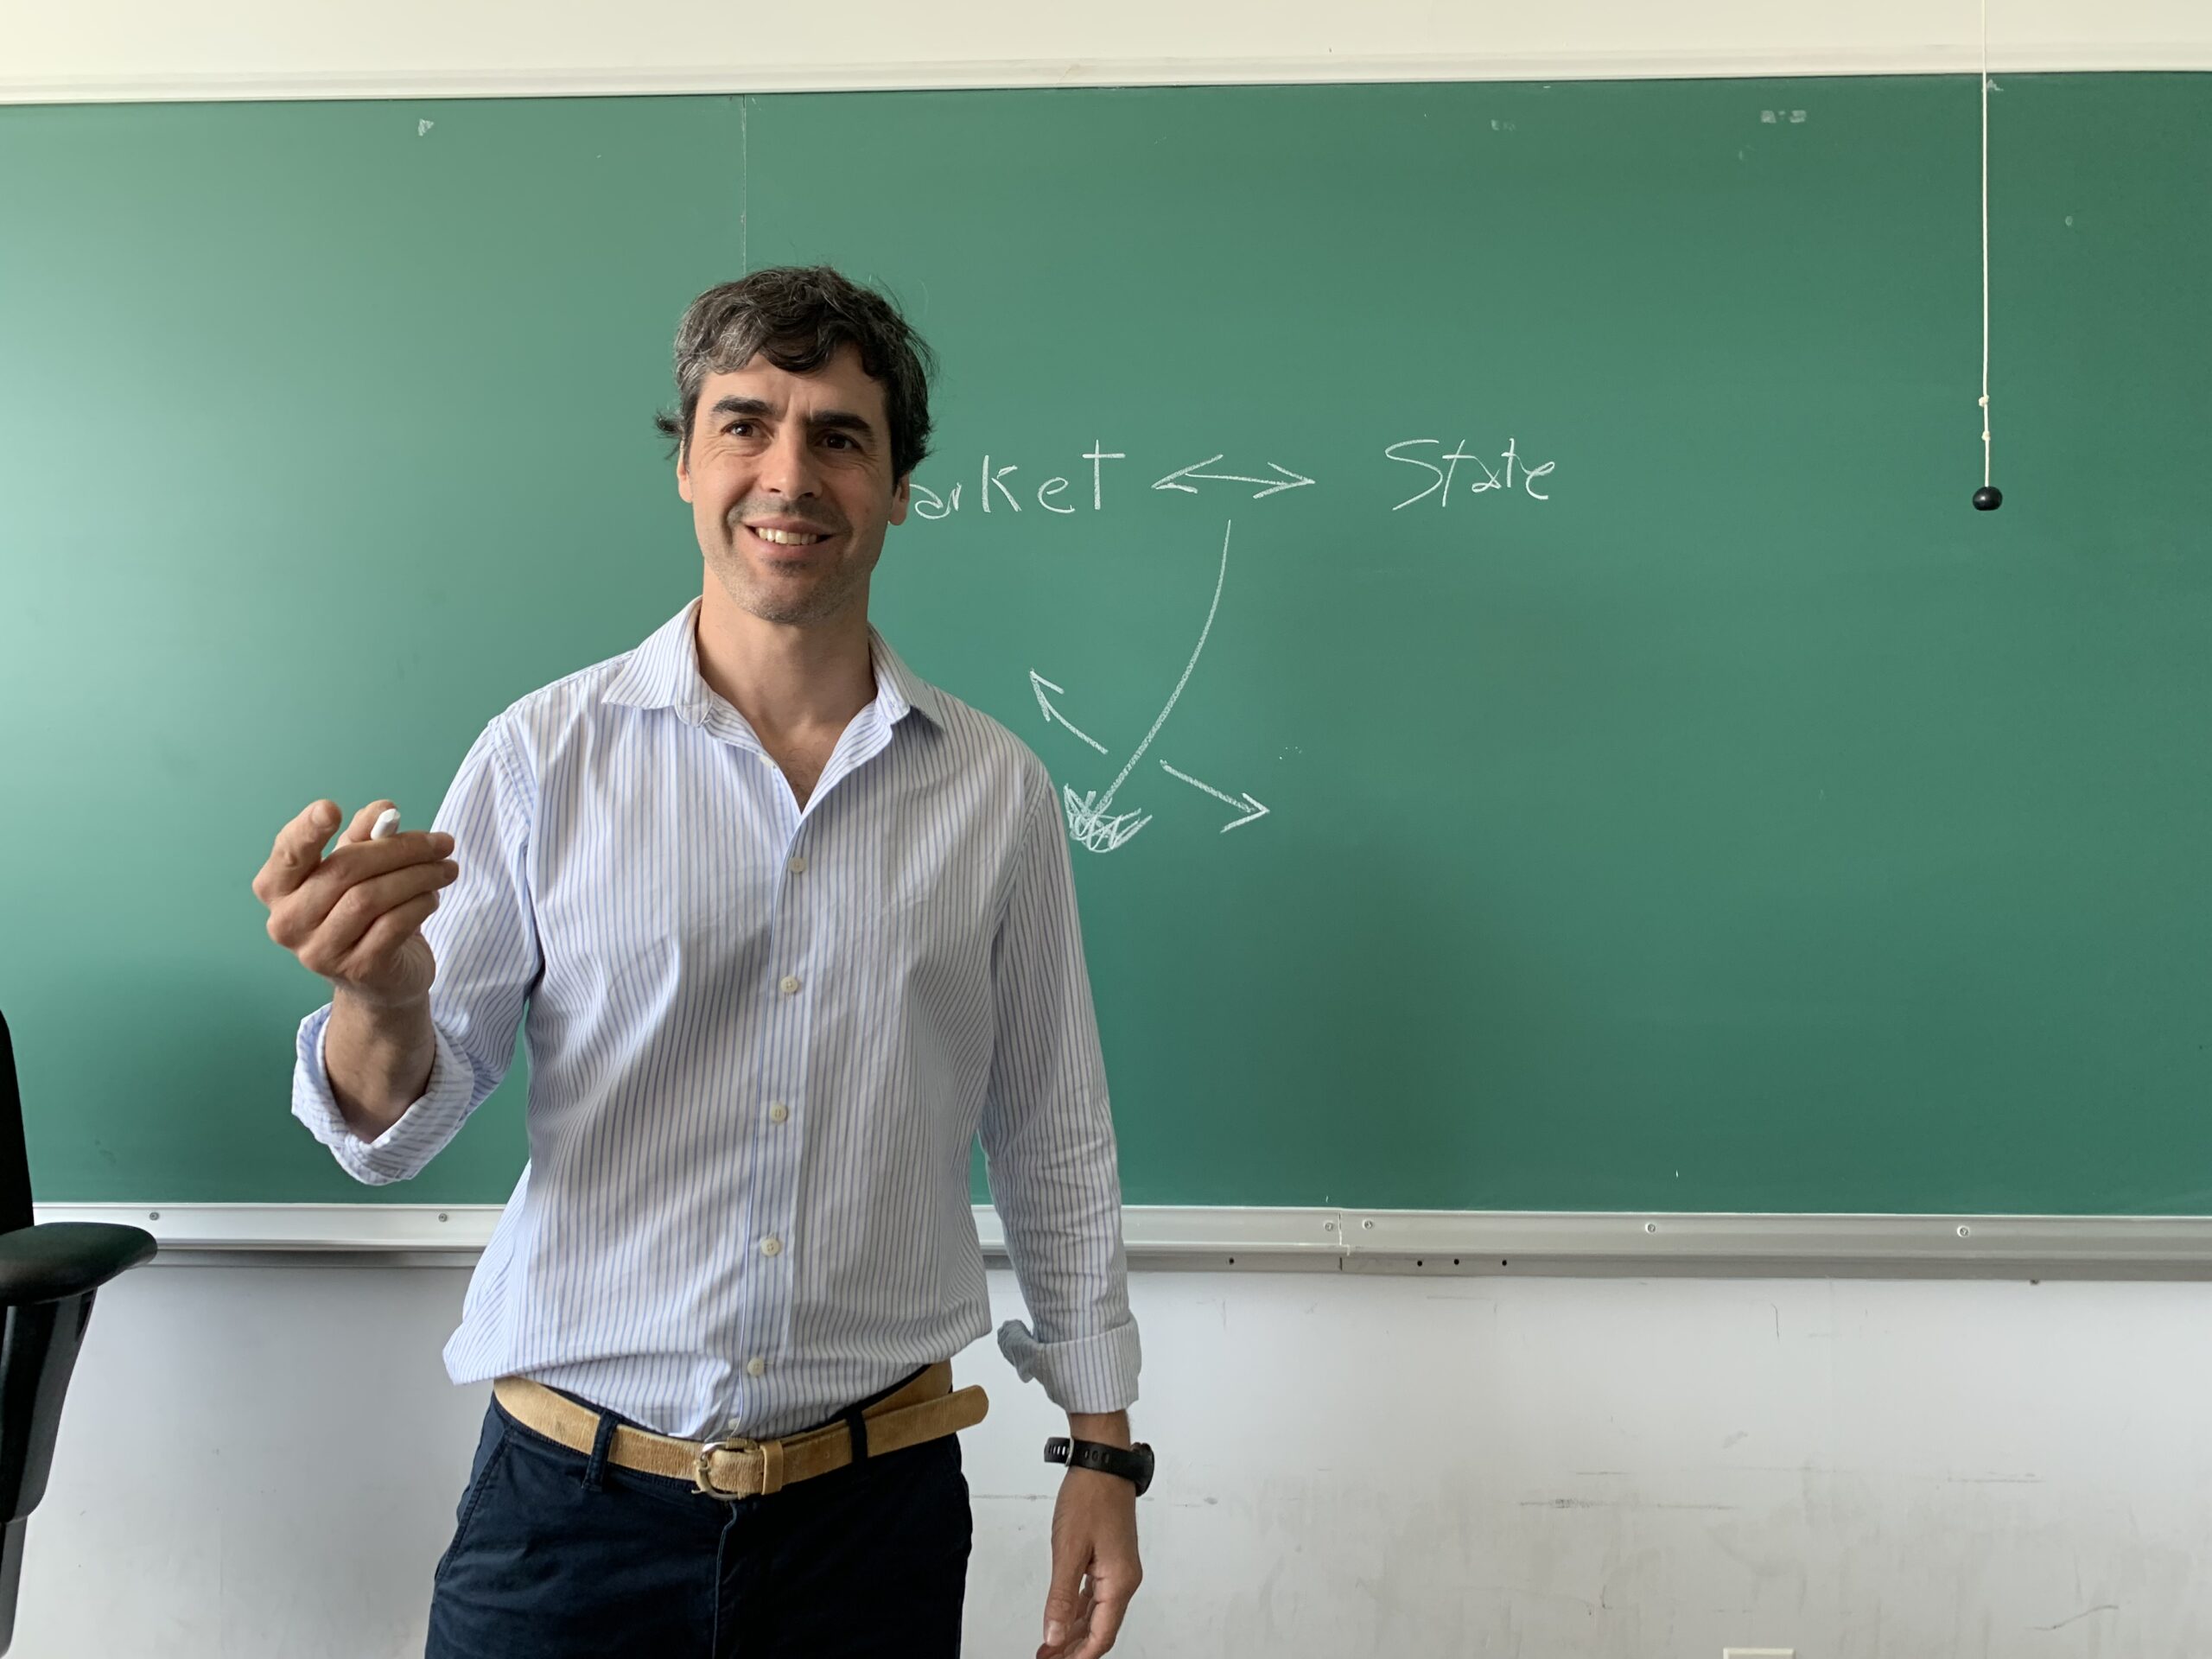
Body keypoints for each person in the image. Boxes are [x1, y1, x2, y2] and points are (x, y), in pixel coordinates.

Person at [250, 266, 1150, 1659]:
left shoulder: (997, 794)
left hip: (872, 1524)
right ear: (684, 461)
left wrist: (1104, 1451)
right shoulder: (544, 756)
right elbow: (392, 1129)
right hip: (567, 1517)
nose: (788, 474)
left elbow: (1053, 1133)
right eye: (744, 424)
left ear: (900, 486)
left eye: (840, 436)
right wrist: (378, 1000)